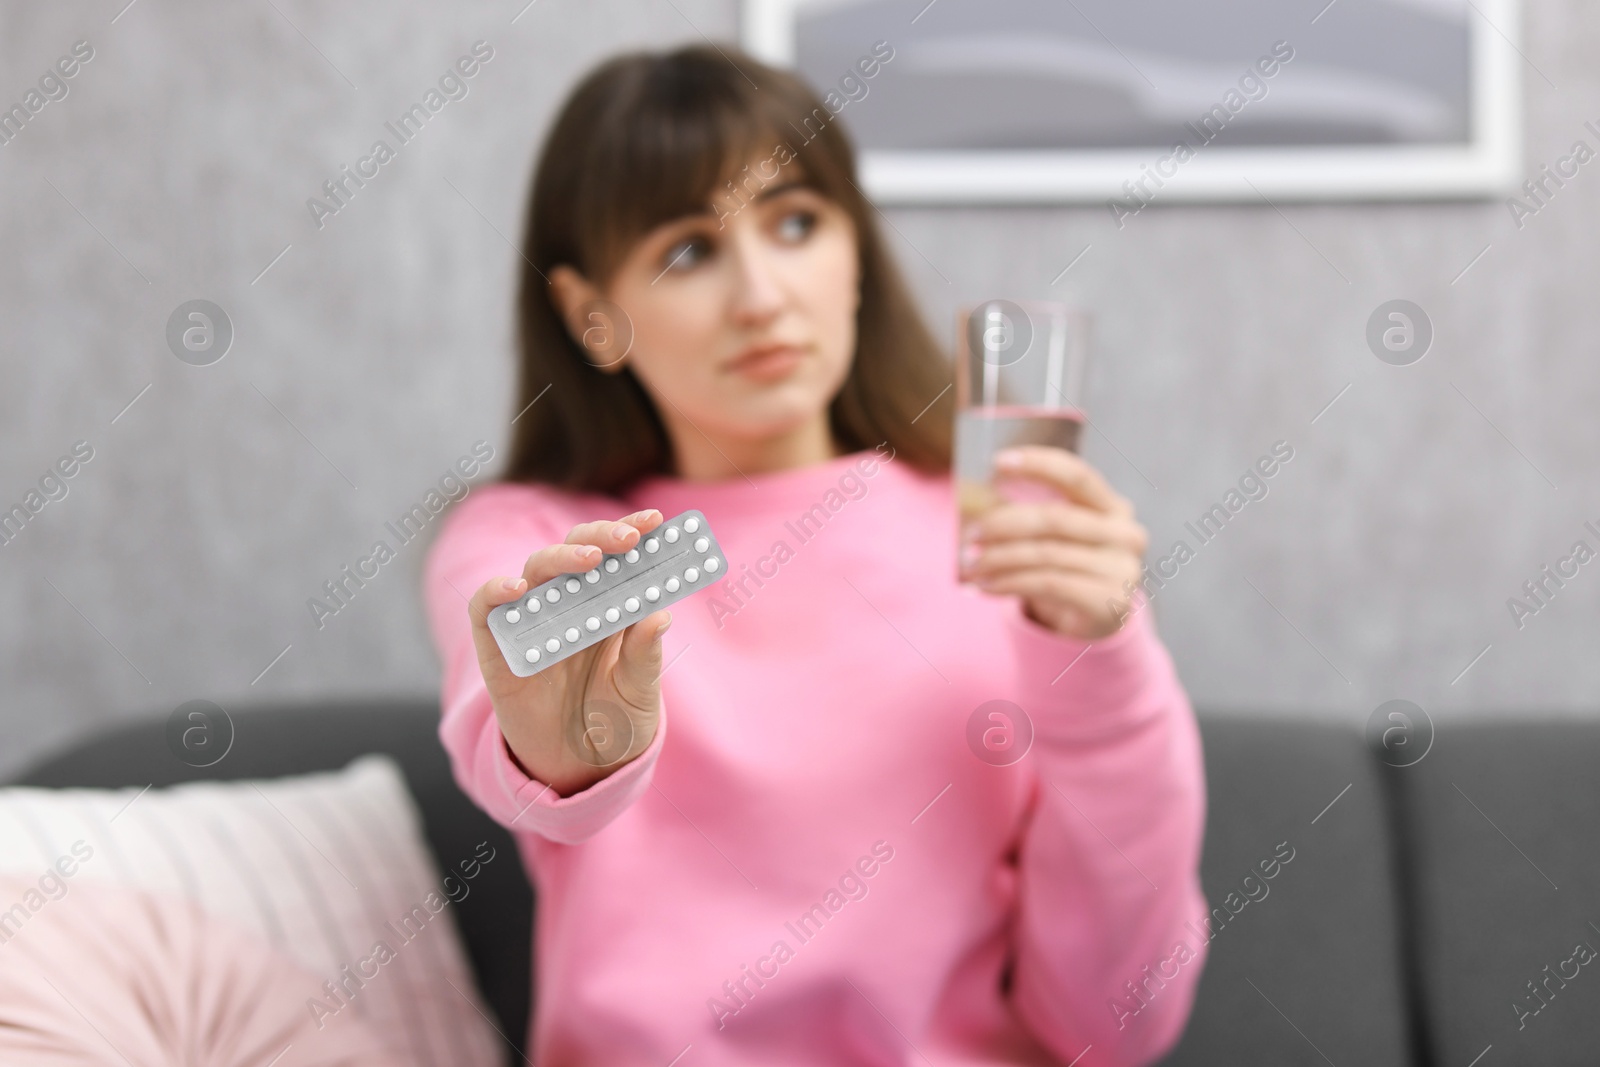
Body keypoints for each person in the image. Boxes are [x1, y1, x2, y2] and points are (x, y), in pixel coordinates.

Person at [424, 43, 1209, 1067]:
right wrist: (567, 755)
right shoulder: (534, 542)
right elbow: (521, 741)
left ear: (855, 257)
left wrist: (1103, 668)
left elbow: (1114, 1025)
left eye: (796, 223)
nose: (761, 294)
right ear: (591, 316)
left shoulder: (998, 539)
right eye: (688, 250)